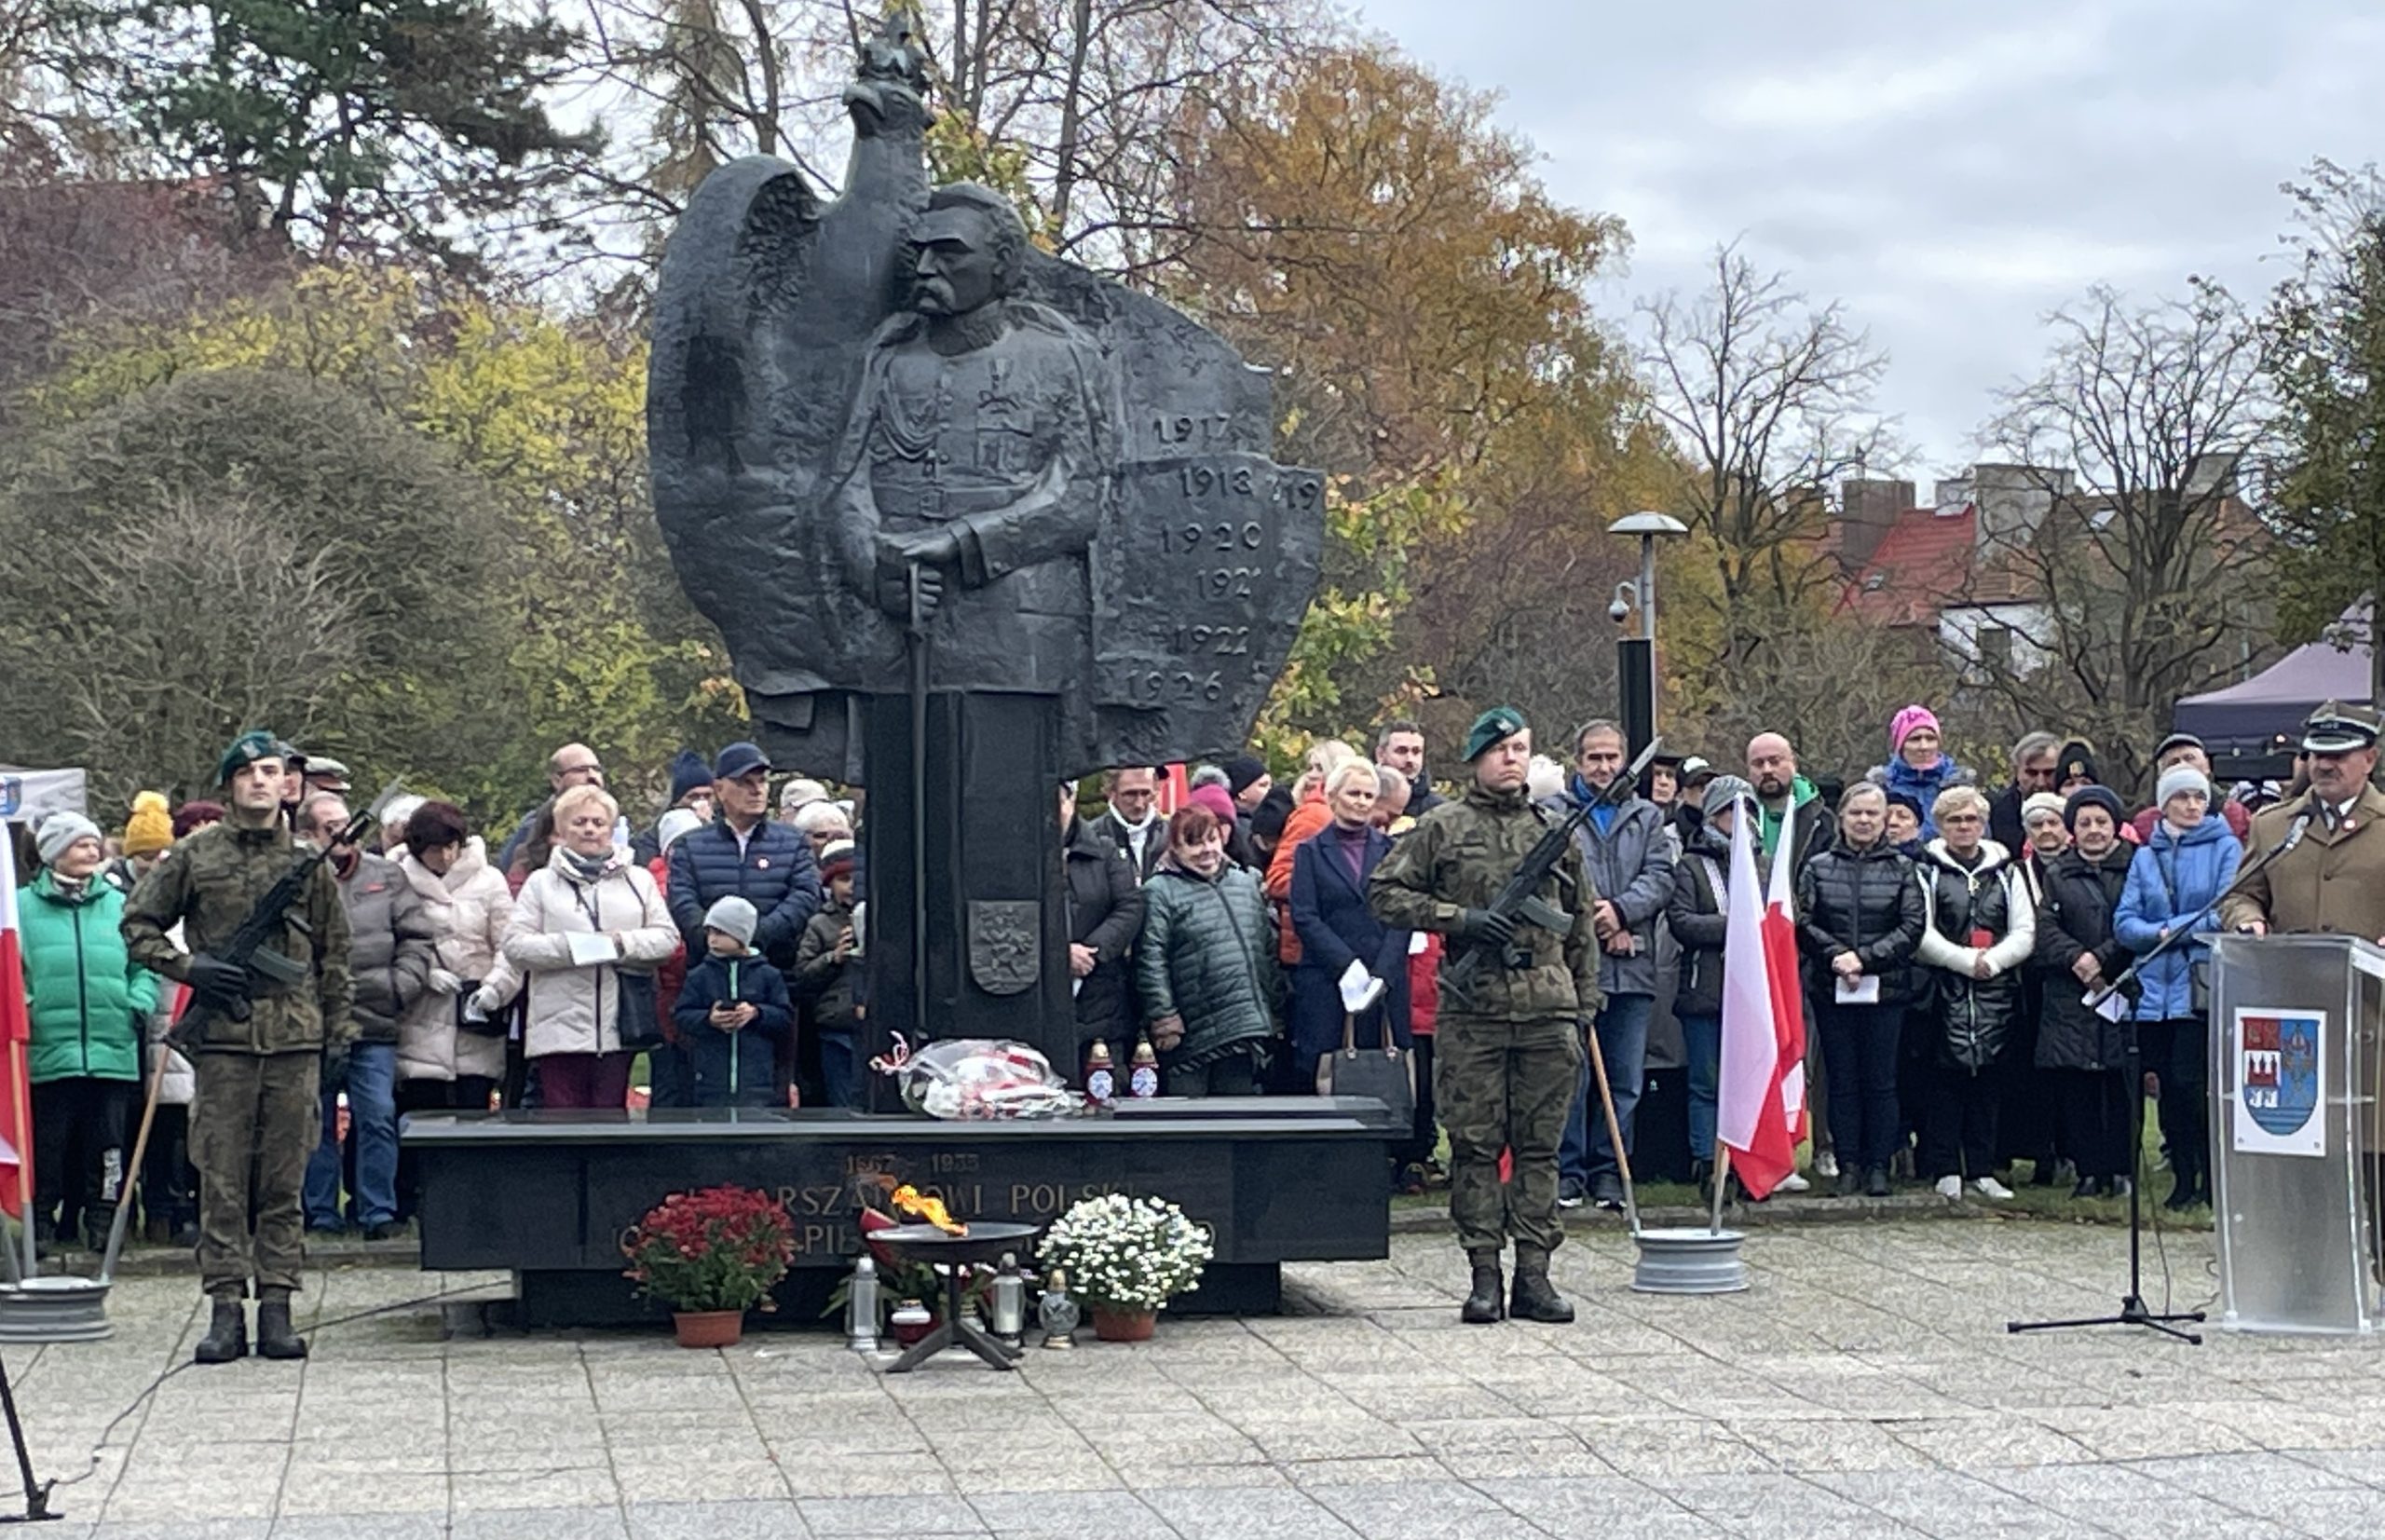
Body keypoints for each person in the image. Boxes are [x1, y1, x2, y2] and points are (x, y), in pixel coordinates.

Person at [121, 731, 352, 1363]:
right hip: (223, 1040)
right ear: (229, 784)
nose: (258, 781)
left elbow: (335, 954)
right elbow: (138, 927)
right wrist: (190, 967)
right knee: (220, 1177)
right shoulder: (195, 855)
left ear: (287, 784)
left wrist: (340, 1033)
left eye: (270, 771)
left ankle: (277, 1303)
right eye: (246, 771)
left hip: (294, 1039)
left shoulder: (309, 861)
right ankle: (225, 1306)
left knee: (284, 1178)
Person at [1370, 706, 1598, 1326]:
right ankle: (1484, 1276)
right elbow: (1385, 893)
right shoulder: (1441, 826)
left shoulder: (1556, 829)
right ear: (1475, 758)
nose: (1511, 758)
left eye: (1520, 747)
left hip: (1548, 1008)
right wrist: (1462, 920)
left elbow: (1582, 924)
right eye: (1499, 748)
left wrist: (1585, 1001)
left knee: (1540, 1148)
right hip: (1474, 1013)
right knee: (1474, 1147)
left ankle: (1535, 1274)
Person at [472, 784, 681, 1111]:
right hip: (558, 1029)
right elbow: (515, 946)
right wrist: (573, 948)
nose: (589, 829)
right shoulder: (541, 883)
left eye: (598, 823)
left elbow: (666, 939)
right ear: (561, 829)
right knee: (563, 1119)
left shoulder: (638, 880)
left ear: (611, 830)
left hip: (619, 1027)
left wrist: (619, 943)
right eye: (580, 821)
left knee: (610, 1118)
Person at [295, 792, 435, 1240]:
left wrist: (401, 986)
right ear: (308, 834)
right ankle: (320, 1212)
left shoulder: (386, 876)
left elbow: (416, 937)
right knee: (312, 1121)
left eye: (346, 824)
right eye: (330, 827)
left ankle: (377, 1209)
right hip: (312, 1022)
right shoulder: (296, 879)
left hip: (373, 1020)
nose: (343, 834)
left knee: (376, 1115)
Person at [1548, 719, 1675, 1213]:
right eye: (1594, 758)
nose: (1604, 767)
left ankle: (1609, 1171)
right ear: (1578, 761)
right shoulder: (1555, 813)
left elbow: (1660, 877)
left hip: (1632, 965)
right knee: (1573, 1075)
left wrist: (1623, 912)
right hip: (1574, 967)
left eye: (1611, 758)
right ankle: (1568, 1172)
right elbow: (1555, 877)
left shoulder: (1646, 817)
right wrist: (1597, 918)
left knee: (1623, 1078)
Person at [22, 811, 157, 1254]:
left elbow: (145, 963)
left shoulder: (121, 904)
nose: (93, 851)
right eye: (81, 843)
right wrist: (26, 1007)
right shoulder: (21, 907)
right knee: (50, 1142)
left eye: (95, 843)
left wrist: (138, 999)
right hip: (48, 1049)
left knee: (109, 1145)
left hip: (112, 1047)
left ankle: (103, 1219)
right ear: (53, 852)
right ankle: (41, 1222)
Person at [666, 742, 822, 1105]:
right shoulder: (691, 846)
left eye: (762, 781)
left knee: (771, 1086)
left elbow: (804, 896)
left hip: (774, 981)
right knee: (708, 1087)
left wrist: (751, 939)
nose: (757, 790)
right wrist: (715, 939)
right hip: (707, 985)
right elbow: (682, 900)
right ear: (720, 789)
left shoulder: (793, 842)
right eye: (745, 781)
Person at [1794, 784, 1929, 1198]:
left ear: (1885, 819)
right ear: (1843, 817)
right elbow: (1803, 920)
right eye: (1857, 813)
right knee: (1842, 1079)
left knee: (1881, 1080)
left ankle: (1878, 1165)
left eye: (1873, 814)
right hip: (1831, 987)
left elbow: (1912, 926)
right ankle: (1848, 1162)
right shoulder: (1818, 866)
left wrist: (1866, 959)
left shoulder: (1903, 869)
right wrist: (1837, 956)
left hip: (1885, 990)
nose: (1865, 821)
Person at [2117, 762, 2240, 1211]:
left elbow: (2224, 911)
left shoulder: (2226, 847)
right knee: (2165, 1085)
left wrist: (2168, 930)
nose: (2191, 805)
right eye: (2182, 797)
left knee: (2194, 1084)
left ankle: (2211, 1178)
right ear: (2164, 803)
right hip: (2152, 993)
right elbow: (2125, 923)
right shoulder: (2146, 856)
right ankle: (2182, 1177)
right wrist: (2158, 934)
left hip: (2197, 987)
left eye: (2199, 798)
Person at [1913, 785, 2037, 1202]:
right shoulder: (1926, 869)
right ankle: (1946, 1167)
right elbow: (1922, 931)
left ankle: (1982, 1168)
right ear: (1940, 825)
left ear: (1983, 824)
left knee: (1989, 1082)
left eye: (1971, 819)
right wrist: (1965, 961)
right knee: (1944, 1082)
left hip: (1997, 992)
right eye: (1954, 820)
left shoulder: (2008, 871)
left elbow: (2024, 930)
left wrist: (1994, 962)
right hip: (1943, 990)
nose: (1964, 827)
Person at [390, 801, 514, 1218]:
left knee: (473, 1109)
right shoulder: (396, 880)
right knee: (421, 1112)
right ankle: (416, 1202)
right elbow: (388, 940)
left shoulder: (490, 880)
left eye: (452, 847)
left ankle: (470, 1204)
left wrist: (496, 988)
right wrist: (422, 974)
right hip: (421, 1016)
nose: (445, 857)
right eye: (435, 849)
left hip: (476, 1015)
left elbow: (509, 947)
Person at [2031, 786, 2137, 1197]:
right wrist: (2077, 957)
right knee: (2077, 1086)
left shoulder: (2135, 866)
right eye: (2085, 823)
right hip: (2070, 991)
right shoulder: (2059, 873)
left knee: (2118, 1084)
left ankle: (2122, 1167)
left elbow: (2137, 918)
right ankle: (2088, 1169)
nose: (2093, 830)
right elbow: (2046, 928)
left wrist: (2104, 955)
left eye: (2101, 822)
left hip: (2120, 983)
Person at [1136, 806, 1279, 1097]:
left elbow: (1266, 949)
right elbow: (1150, 958)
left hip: (1244, 1024)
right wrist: (1163, 1016)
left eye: (1211, 839)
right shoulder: (1159, 890)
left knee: (1238, 1114)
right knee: (1188, 1119)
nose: (1206, 850)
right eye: (1194, 842)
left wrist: (1274, 1008)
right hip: (1190, 1029)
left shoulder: (1245, 882)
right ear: (1175, 847)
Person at [1288, 760, 1411, 1079]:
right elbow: (1304, 915)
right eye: (1353, 793)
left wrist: (1384, 970)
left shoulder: (1391, 851)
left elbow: (1403, 912)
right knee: (1328, 1070)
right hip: (1327, 978)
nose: (1361, 801)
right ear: (1333, 796)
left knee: (1382, 1073)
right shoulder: (1309, 852)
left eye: (1368, 795)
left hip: (1383, 977)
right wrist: (1346, 964)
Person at [2225, 701, 2385, 943]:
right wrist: (2248, 919)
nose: (2324, 766)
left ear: (2370, 760)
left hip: (2373, 977)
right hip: (2292, 974)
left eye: (2338, 756)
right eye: (2318, 754)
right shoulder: (2272, 824)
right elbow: (2241, 895)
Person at [1749, 730, 1834, 1174]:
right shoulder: (1740, 818)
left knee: (1815, 1054)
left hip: (1808, 951)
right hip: (1754, 953)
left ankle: (1823, 1146)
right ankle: (1770, 1148)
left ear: (1792, 764)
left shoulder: (1821, 819)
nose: (1768, 770)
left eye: (1775, 761)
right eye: (1759, 763)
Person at [1669, 775, 1753, 1194]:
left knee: (1746, 1083)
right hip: (1705, 990)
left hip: (1752, 995)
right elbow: (1682, 921)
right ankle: (1706, 1162)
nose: (1736, 820)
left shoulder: (1763, 864)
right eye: (1727, 812)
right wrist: (1734, 927)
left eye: (1744, 812)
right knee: (1706, 1081)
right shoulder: (1691, 865)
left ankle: (1746, 1162)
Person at [673, 896, 793, 1108]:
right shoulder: (699, 975)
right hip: (710, 1080)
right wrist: (708, 1019)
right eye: (709, 932)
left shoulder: (768, 975)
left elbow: (784, 1016)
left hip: (758, 1081)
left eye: (720, 933)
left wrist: (756, 1013)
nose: (712, 939)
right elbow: (682, 1015)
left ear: (741, 936)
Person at [1059, 783, 1144, 1068]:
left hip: (1101, 992)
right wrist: (1060, 953)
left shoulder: (1105, 851)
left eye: (1057, 803)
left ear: (1072, 801)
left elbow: (1129, 907)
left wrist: (1090, 951)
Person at [1265, 740, 1360, 965]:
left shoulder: (1335, 815)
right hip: (1306, 944)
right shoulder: (1313, 815)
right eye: (1310, 768)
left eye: (1319, 768)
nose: (1310, 776)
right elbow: (1278, 878)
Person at [792, 838, 865, 1106]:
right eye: (844, 879)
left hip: (875, 1024)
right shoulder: (820, 924)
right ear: (830, 885)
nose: (852, 886)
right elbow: (803, 975)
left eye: (858, 878)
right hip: (836, 1024)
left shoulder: (886, 919)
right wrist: (832, 958)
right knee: (841, 1098)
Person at [497, 743, 607, 875]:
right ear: (557, 781)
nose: (592, 776)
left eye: (596, 769)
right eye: (581, 770)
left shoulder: (618, 824)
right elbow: (509, 874)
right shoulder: (535, 824)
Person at [1867, 706, 1975, 838]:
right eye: (1915, 739)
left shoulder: (1960, 789)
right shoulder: (1881, 790)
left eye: (1930, 738)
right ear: (1900, 746)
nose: (1924, 746)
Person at [2130, 733, 2252, 844]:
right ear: (2162, 774)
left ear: (2207, 765)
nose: (2182, 765)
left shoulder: (2236, 816)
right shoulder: (2146, 824)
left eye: (2189, 758)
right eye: (2173, 762)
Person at [630, 749, 716, 864]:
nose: (702, 802)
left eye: (707, 796)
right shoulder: (646, 844)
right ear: (677, 802)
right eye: (693, 797)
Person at [1988, 731, 2064, 854]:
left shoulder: (2077, 810)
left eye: (2049, 773)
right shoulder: (1995, 812)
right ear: (2016, 771)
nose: (2041, 783)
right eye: (2032, 773)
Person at [1094, 765, 1166, 882]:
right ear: (1111, 793)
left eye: (1145, 793)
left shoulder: (1172, 836)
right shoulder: (1091, 837)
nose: (1139, 804)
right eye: (1130, 794)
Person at [107, 791, 175, 894]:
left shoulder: (178, 885)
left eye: (163, 858)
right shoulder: (110, 885)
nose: (155, 865)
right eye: (148, 857)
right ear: (131, 856)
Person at [1376, 720, 1443, 818]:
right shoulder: (1361, 801)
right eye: (1401, 751)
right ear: (1381, 754)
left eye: (1416, 752)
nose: (1410, 760)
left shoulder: (1438, 812)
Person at [1883, 792, 1926, 857]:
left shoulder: (1930, 859)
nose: (1892, 822)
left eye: (1903, 816)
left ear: (1917, 827)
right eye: (1886, 816)